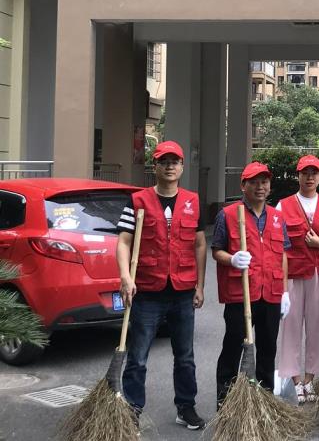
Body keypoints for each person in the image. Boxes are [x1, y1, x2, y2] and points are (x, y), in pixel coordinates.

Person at [116, 140, 207, 431]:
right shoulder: (137, 201)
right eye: (164, 161)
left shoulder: (193, 201)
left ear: (182, 167)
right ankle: (132, 409)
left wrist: (200, 285)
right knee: (138, 357)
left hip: (182, 290)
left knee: (185, 357)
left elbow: (199, 244)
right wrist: (125, 277)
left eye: (174, 162)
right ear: (154, 166)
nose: (169, 166)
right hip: (147, 290)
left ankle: (186, 407)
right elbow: (124, 241)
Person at [211, 162, 291, 408]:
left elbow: (283, 255)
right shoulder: (228, 214)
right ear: (243, 186)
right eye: (254, 182)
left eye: (264, 182)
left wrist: (285, 292)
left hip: (271, 294)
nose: (260, 187)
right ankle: (225, 401)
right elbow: (216, 251)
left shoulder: (277, 217)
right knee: (233, 347)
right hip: (240, 294)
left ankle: (264, 400)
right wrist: (232, 259)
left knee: (268, 349)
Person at [276, 155, 319, 403]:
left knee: (318, 327)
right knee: (290, 327)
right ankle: (294, 381)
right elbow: (277, 243)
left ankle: (311, 379)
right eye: (305, 173)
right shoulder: (283, 205)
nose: (310, 177)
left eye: (314, 173)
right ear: (298, 176)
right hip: (292, 273)